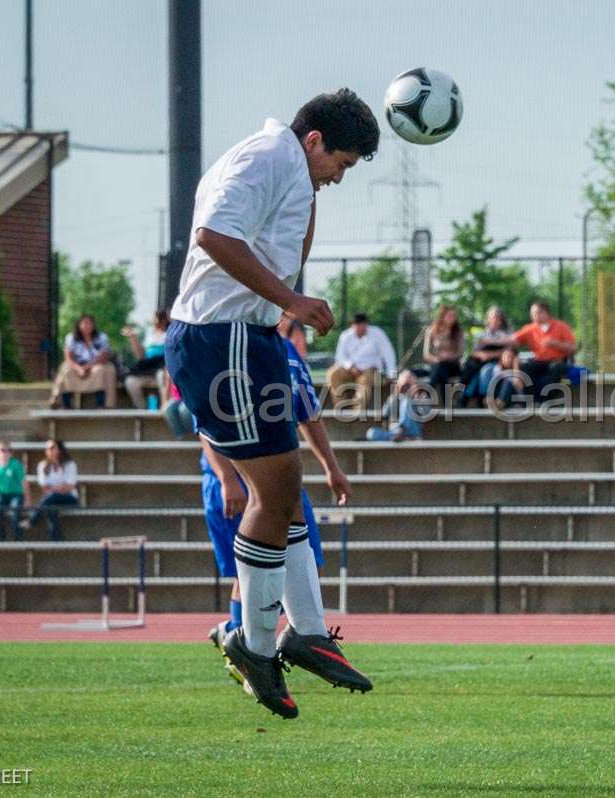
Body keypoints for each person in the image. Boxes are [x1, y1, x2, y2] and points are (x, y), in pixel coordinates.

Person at [165, 88, 378, 719]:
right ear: (313, 140)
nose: (340, 176)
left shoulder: (290, 170)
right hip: (221, 335)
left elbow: (281, 250)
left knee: (285, 490)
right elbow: (211, 236)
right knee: (276, 490)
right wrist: (290, 300)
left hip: (241, 336)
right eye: (340, 161)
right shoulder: (266, 156)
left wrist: (309, 202)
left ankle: (304, 631)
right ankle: (254, 643)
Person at [203, 330, 370, 694]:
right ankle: (248, 652)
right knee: (250, 571)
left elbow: (309, 414)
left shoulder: (289, 353)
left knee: (303, 557)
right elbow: (208, 422)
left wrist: (332, 467)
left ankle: (292, 635)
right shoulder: (230, 342)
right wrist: (226, 477)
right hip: (239, 472)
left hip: (284, 472)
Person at [329, 313, 397, 413]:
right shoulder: (345, 336)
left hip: (370, 369)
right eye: (358, 327)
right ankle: (341, 407)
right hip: (351, 369)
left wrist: (391, 374)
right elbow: (340, 356)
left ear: (367, 325)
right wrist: (350, 366)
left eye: (363, 326)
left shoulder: (378, 333)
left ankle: (356, 412)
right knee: (332, 374)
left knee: (365, 381)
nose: (361, 329)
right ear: (352, 326)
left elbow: (388, 353)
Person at [512, 300, 576, 400]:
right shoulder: (530, 328)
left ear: (545, 313)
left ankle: (548, 399)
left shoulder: (561, 326)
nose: (532, 316)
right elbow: (513, 339)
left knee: (556, 368)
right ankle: (531, 399)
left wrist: (556, 343)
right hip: (539, 360)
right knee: (525, 366)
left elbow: (573, 348)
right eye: (532, 313)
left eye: (535, 313)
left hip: (557, 361)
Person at [51, 315, 118, 409]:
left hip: (96, 363)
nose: (88, 325)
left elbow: (104, 356)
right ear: (78, 325)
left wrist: (86, 367)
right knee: (66, 371)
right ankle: (65, 405)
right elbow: (68, 357)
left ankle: (101, 404)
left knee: (100, 371)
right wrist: (78, 368)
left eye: (90, 323)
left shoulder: (102, 337)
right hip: (76, 363)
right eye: (85, 323)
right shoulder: (71, 337)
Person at [23, 439, 79, 541]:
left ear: (59, 450)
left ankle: (32, 520)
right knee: (50, 507)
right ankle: (56, 539)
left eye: (52, 448)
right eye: (47, 448)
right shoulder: (42, 465)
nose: (49, 450)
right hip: (50, 499)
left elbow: (70, 486)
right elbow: (44, 488)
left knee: (51, 497)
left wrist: (54, 489)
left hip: (69, 498)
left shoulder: (70, 464)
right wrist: (60, 487)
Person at [459, 307, 513, 408]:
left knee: (485, 371)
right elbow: (474, 351)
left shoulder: (507, 333)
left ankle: (473, 396)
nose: (495, 320)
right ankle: (467, 396)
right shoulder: (482, 333)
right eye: (492, 318)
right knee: (474, 370)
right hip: (481, 361)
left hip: (498, 361)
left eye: (497, 318)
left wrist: (490, 352)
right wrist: (482, 355)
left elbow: (509, 350)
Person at [122, 310, 171, 409]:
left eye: (160, 318)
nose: (157, 321)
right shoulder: (149, 335)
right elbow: (141, 356)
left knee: (162, 376)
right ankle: (142, 410)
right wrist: (133, 338)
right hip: (147, 368)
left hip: (162, 367)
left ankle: (165, 408)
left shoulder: (170, 334)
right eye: (155, 318)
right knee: (130, 382)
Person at [0, 440, 30, 541]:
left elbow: (24, 483)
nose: (6, 453)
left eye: (8, 450)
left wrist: (27, 500)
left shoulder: (16, 465)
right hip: (3, 495)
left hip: (17, 494)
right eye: (2, 450)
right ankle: (0, 538)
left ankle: (18, 539)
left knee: (15, 511)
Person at [366, 370, 425, 441]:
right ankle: (401, 438)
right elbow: (384, 413)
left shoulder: (420, 397)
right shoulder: (394, 397)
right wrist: (395, 395)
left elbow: (426, 414)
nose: (406, 388)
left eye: (409, 385)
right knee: (371, 433)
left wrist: (416, 397)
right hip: (394, 433)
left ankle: (402, 432)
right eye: (404, 385)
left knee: (407, 402)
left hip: (412, 433)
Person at [423, 304, 464, 402]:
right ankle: (447, 403)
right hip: (437, 363)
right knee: (440, 368)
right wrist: (437, 359)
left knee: (440, 368)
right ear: (442, 316)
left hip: (453, 365)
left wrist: (450, 356)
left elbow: (460, 353)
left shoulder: (457, 332)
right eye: (449, 315)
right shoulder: (432, 330)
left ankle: (427, 394)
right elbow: (426, 354)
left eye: (454, 316)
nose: (452, 318)